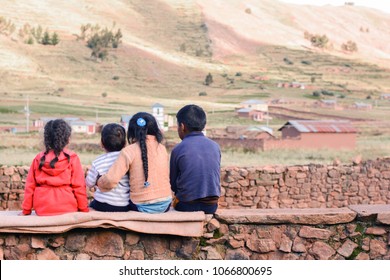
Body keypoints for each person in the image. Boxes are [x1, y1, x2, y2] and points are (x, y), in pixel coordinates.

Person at [97, 112, 172, 213]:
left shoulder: (129, 151)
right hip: (165, 204)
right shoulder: (162, 149)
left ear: (132, 132)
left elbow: (110, 180)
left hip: (141, 207)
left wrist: (99, 182)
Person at [21, 119, 89, 216]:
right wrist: (84, 209)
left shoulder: (38, 159)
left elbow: (30, 187)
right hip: (68, 208)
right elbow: (79, 186)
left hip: (42, 209)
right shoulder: (72, 158)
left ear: (46, 139)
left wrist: (26, 210)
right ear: (68, 138)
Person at [170, 104, 221, 214]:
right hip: (211, 206)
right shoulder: (215, 146)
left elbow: (173, 185)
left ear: (182, 126)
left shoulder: (178, 149)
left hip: (185, 205)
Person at [86, 123, 130, 212]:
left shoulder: (98, 162)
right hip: (123, 205)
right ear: (125, 143)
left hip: (102, 204)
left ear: (102, 143)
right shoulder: (128, 160)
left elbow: (89, 183)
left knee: (91, 205)